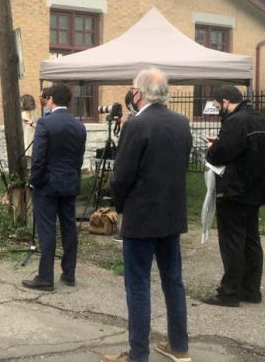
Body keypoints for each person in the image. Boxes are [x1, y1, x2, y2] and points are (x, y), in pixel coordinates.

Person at [103, 68, 192, 362]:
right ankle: (179, 345)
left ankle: (138, 354)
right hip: (172, 212)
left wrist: (120, 204)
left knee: (138, 284)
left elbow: (121, 174)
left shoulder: (136, 126)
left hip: (142, 215)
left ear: (137, 94)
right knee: (173, 280)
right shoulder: (181, 122)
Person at [203, 85, 265, 307]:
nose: (218, 110)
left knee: (232, 242)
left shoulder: (235, 122)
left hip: (235, 190)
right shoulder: (259, 119)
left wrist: (213, 146)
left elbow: (219, 155)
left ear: (226, 102)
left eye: (217, 105)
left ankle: (229, 292)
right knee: (251, 240)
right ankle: (250, 289)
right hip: (255, 189)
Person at [22, 84, 86, 292]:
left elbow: (38, 158)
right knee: (69, 228)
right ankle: (69, 273)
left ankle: (45, 277)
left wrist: (35, 180)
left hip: (47, 184)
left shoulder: (45, 124)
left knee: (47, 230)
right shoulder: (79, 126)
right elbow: (79, 158)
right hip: (69, 182)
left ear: (51, 99)